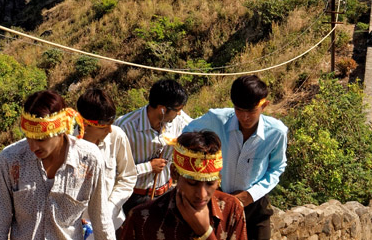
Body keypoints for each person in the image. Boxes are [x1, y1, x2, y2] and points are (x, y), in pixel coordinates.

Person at [0, 90, 115, 240]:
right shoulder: (10, 160)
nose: (33, 147)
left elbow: (102, 221)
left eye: (41, 139)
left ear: (62, 129)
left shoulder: (89, 159)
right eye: (29, 137)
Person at [182, 75, 287, 240]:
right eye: (239, 110)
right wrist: (205, 170)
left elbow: (277, 167)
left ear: (264, 105)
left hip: (255, 205)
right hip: (219, 201)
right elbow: (186, 134)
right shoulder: (217, 120)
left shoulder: (276, 132)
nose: (244, 117)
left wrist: (249, 195)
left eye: (251, 111)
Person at [118, 131, 247, 240]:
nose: (202, 194)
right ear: (174, 173)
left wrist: (206, 234)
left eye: (210, 183)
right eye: (192, 183)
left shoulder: (232, 210)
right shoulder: (142, 218)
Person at [116, 78, 193, 216]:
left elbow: (198, 129)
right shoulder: (125, 127)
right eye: (177, 110)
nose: (180, 114)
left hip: (167, 193)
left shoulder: (178, 121)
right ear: (162, 109)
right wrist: (148, 167)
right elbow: (113, 171)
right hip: (134, 198)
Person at [77, 88, 138, 230]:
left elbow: (128, 176)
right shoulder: (67, 145)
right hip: (77, 229)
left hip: (113, 224)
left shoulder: (117, 136)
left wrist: (110, 208)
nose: (110, 130)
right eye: (105, 126)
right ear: (85, 124)